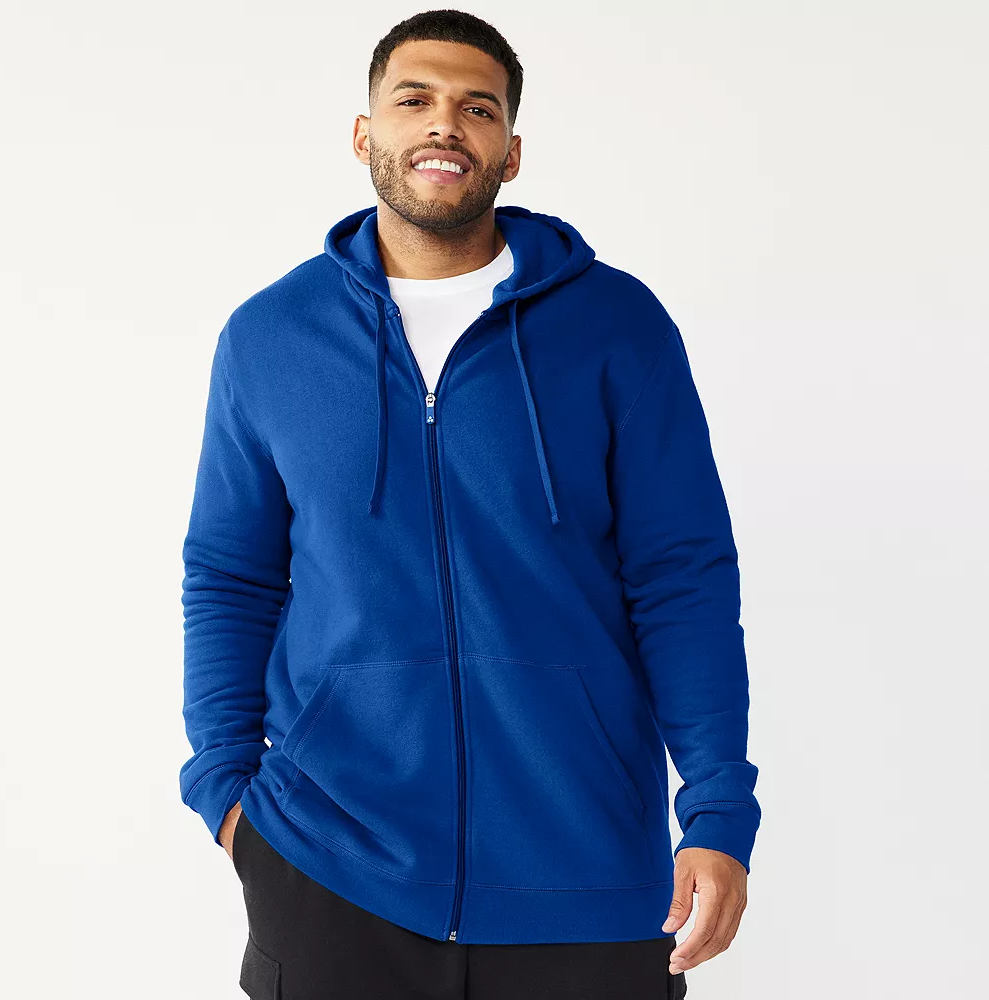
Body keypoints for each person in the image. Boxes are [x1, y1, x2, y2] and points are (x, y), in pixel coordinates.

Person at [179, 9, 760, 999]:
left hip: (585, 868)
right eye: (414, 100)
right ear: (364, 134)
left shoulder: (616, 327)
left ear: (511, 151)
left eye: (477, 108)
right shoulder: (270, 337)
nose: (444, 123)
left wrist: (716, 809)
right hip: (329, 864)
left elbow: (683, 579)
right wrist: (225, 789)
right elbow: (231, 576)